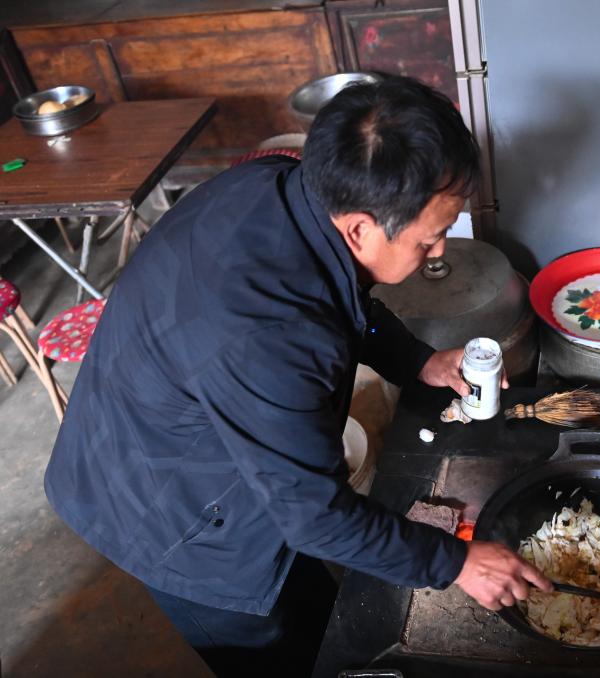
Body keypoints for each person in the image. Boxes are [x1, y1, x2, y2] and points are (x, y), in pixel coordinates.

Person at [43, 74, 551, 677]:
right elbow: (316, 518)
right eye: (431, 236)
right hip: (172, 517)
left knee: (320, 616)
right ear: (362, 227)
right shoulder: (272, 337)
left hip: (190, 423)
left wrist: (419, 360)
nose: (439, 252)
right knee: (278, 649)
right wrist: (458, 563)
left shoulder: (282, 185)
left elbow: (343, 298)